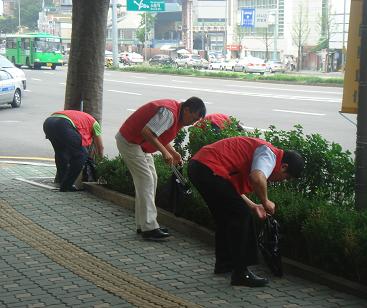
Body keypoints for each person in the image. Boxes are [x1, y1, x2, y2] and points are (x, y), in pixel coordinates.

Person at [187, 136, 304, 287]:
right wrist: (265, 201)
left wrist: (254, 206)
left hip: (199, 167)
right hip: (209, 169)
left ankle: (225, 264)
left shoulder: (263, 152)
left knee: (226, 217)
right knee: (242, 216)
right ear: (284, 167)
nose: (283, 181)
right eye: (286, 177)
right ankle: (241, 273)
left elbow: (231, 189)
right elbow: (257, 177)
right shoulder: (269, 155)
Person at [116, 97, 206, 241]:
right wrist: (165, 152)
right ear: (187, 109)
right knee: (146, 180)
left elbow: (158, 135)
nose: (191, 123)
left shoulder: (176, 113)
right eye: (193, 119)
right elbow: (147, 132)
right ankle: (149, 227)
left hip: (139, 145)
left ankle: (143, 224)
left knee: (150, 179)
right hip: (130, 141)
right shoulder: (169, 113)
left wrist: (173, 152)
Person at [43, 110, 104, 192]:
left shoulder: (83, 119)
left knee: (61, 152)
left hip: (49, 122)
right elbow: (100, 147)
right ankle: (67, 185)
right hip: (63, 124)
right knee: (82, 155)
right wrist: (101, 162)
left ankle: (62, 182)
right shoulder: (95, 124)